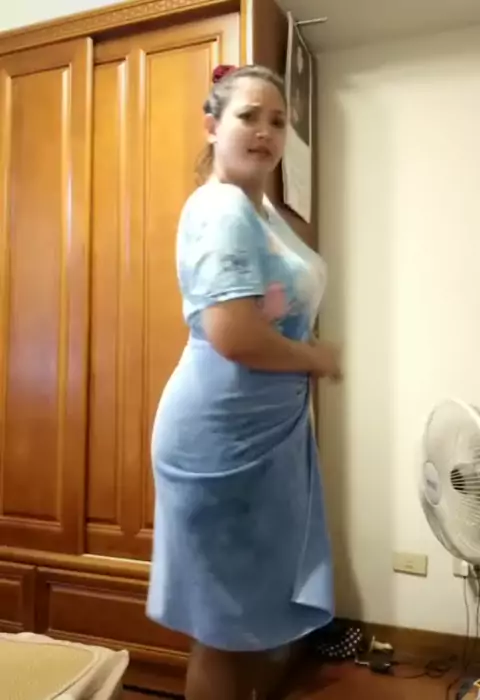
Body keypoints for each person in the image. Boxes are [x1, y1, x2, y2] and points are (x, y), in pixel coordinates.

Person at [147, 63, 342, 700]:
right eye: (248, 116)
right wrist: (316, 358)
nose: (265, 131)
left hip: (270, 434)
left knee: (253, 622)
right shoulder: (221, 208)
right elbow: (234, 335)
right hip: (221, 438)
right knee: (224, 630)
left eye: (277, 121)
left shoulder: (264, 213)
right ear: (212, 125)